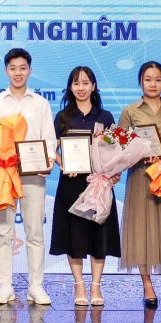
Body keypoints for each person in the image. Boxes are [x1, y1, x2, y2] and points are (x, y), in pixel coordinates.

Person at [0, 47, 56, 306]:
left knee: (34, 232)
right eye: (13, 68)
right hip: (4, 174)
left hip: (33, 175)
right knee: (3, 231)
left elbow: (49, 137)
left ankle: (36, 286)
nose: (18, 73)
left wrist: (48, 161)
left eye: (22, 68)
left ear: (30, 70)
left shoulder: (40, 103)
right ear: (6, 70)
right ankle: (4, 286)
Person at [118, 61, 161, 309]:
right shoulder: (129, 111)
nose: (153, 84)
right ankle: (147, 285)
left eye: (158, 79)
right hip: (141, 177)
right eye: (148, 79)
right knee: (142, 231)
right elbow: (120, 146)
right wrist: (138, 154)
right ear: (140, 82)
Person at [49, 65, 119, 308]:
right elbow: (52, 149)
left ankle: (96, 285)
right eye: (76, 83)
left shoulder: (105, 117)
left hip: (99, 184)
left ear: (94, 86)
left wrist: (114, 173)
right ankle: (79, 285)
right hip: (71, 184)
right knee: (74, 236)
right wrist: (63, 165)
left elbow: (115, 151)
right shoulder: (62, 117)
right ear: (70, 87)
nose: (81, 88)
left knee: (99, 235)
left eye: (86, 83)